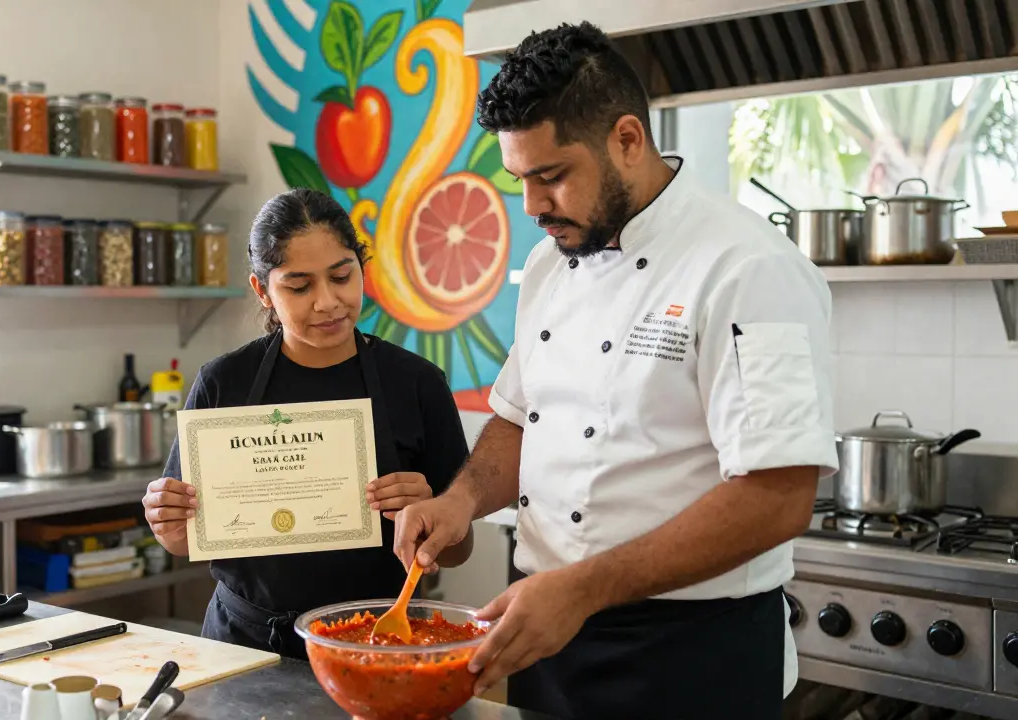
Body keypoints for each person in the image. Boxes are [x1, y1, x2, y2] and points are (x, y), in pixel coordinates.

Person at [392, 21, 838, 720]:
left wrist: (583, 588)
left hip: (692, 659)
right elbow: (520, 415)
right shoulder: (548, 262)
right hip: (547, 636)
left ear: (628, 139)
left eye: (552, 176)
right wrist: (459, 502)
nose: (533, 206)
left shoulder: (749, 268)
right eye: (520, 180)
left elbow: (778, 496)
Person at [141, 187, 474, 660]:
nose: (327, 302)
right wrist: (165, 518)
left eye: (342, 276)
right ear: (263, 291)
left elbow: (458, 551)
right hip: (243, 645)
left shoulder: (417, 383)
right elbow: (180, 540)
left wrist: (432, 513)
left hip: (377, 639)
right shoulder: (223, 383)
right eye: (299, 286)